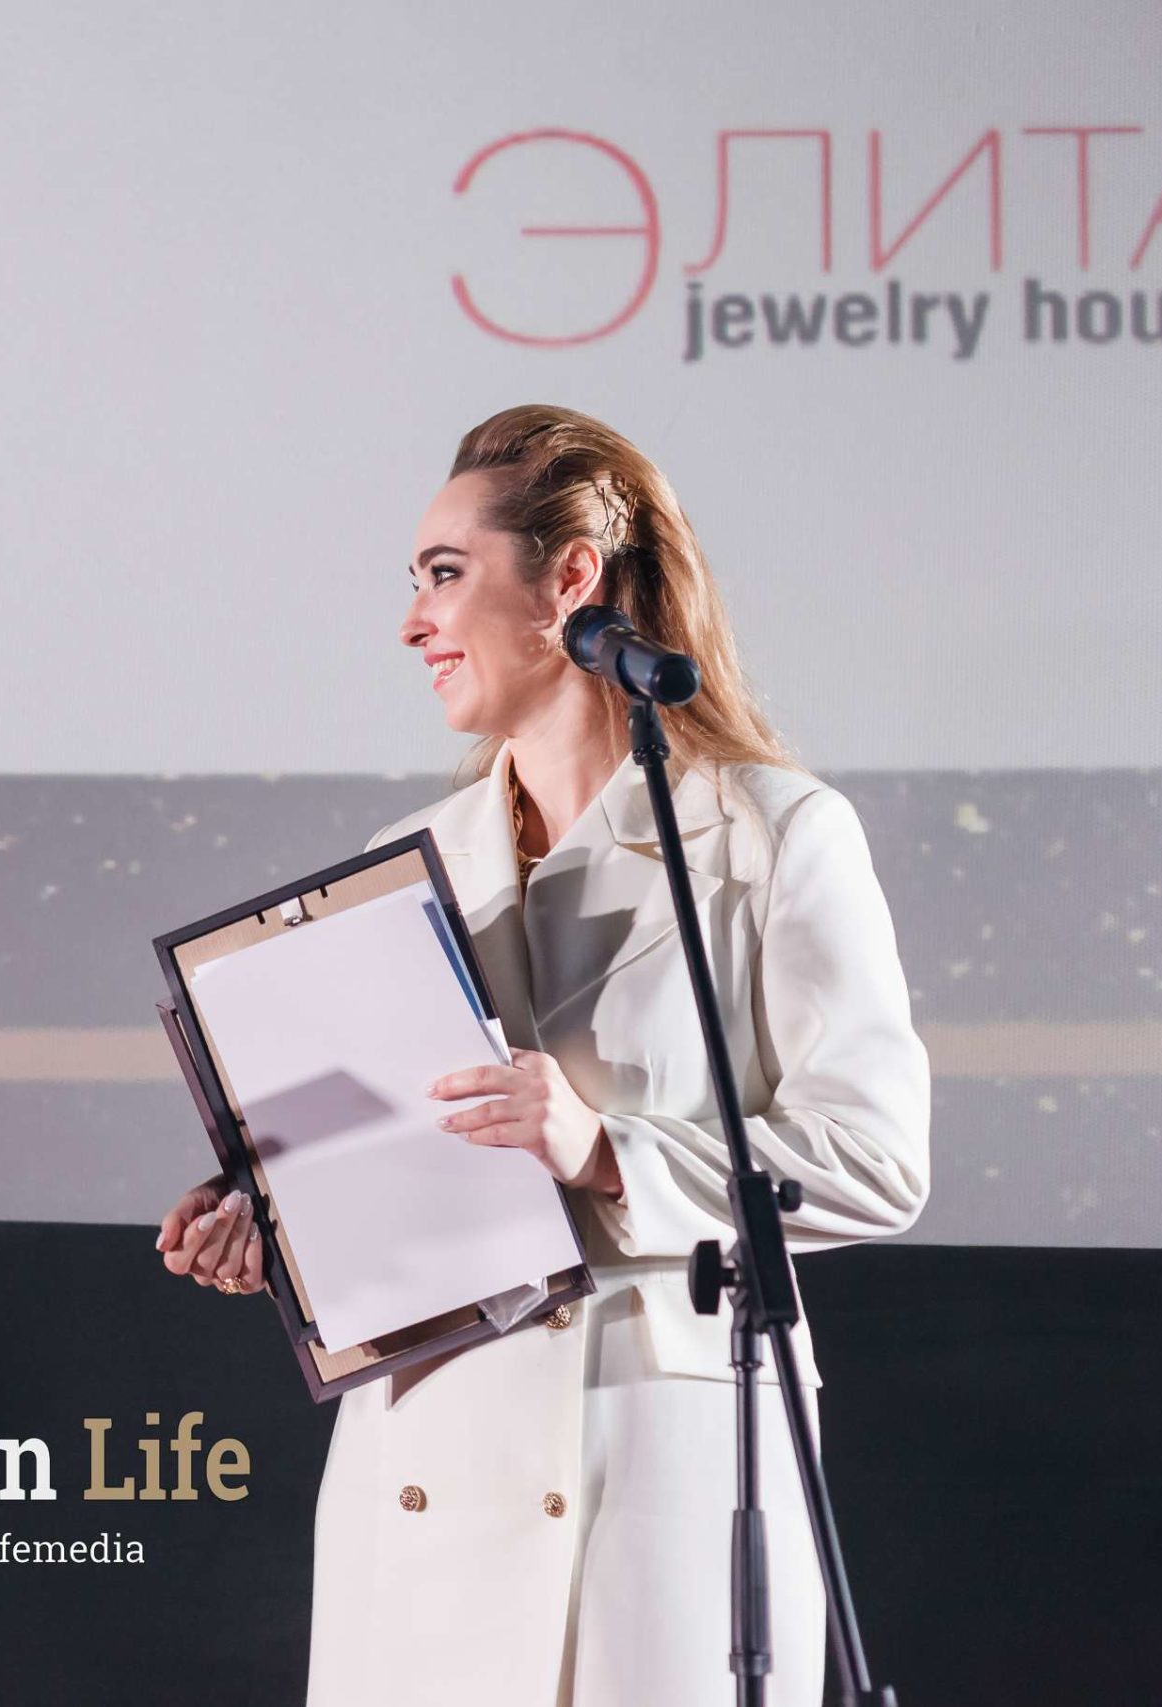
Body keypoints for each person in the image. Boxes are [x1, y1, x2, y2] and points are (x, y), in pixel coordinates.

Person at [156, 405, 929, 1706]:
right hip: (425, 1480)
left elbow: (878, 1162)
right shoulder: (399, 868)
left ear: (570, 578)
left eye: (444, 574)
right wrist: (271, 1214)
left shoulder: (770, 834)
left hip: (655, 1476)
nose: (413, 622)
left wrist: (605, 1148)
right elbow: (395, 1160)